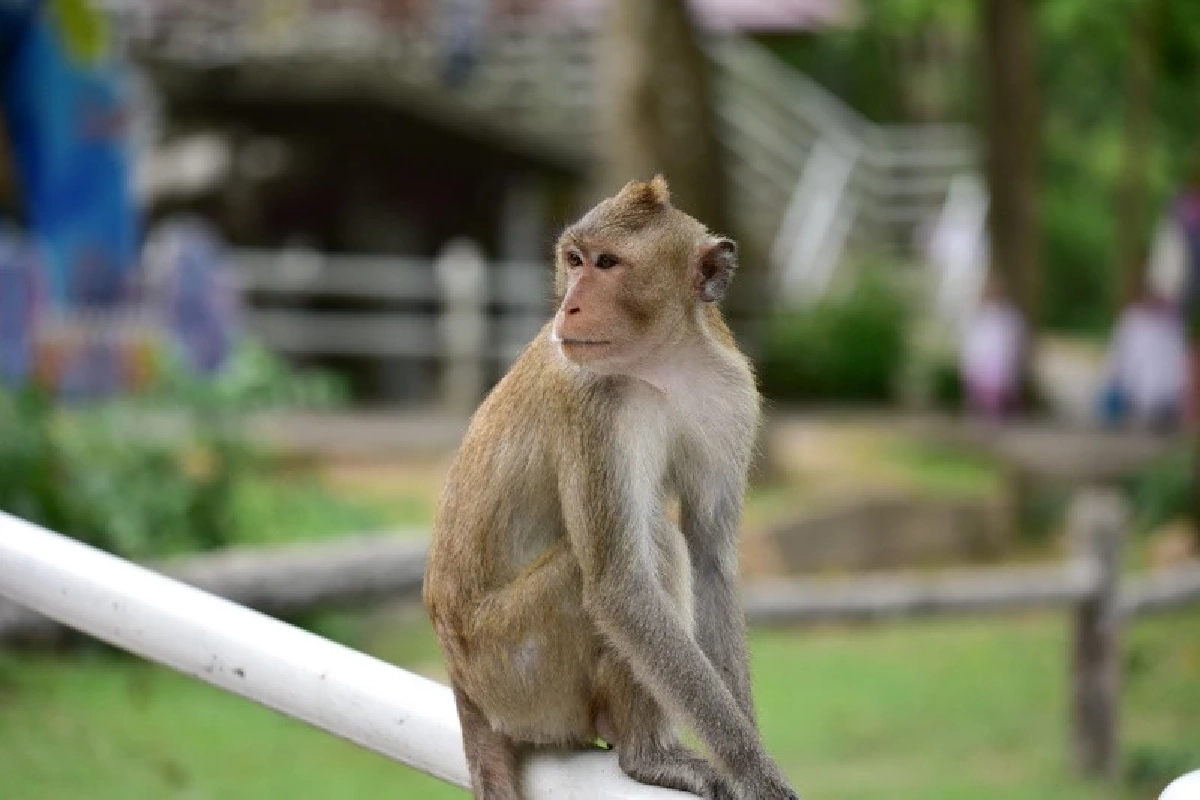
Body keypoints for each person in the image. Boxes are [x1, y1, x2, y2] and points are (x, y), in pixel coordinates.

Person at [1099, 285, 1188, 432]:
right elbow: (1121, 353)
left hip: (1162, 393)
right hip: (1137, 390)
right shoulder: (1133, 319)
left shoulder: (1170, 322)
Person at [961, 274, 1025, 420]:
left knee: (998, 395)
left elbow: (1014, 340)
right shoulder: (979, 315)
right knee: (979, 394)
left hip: (999, 363)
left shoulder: (1009, 316)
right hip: (981, 362)